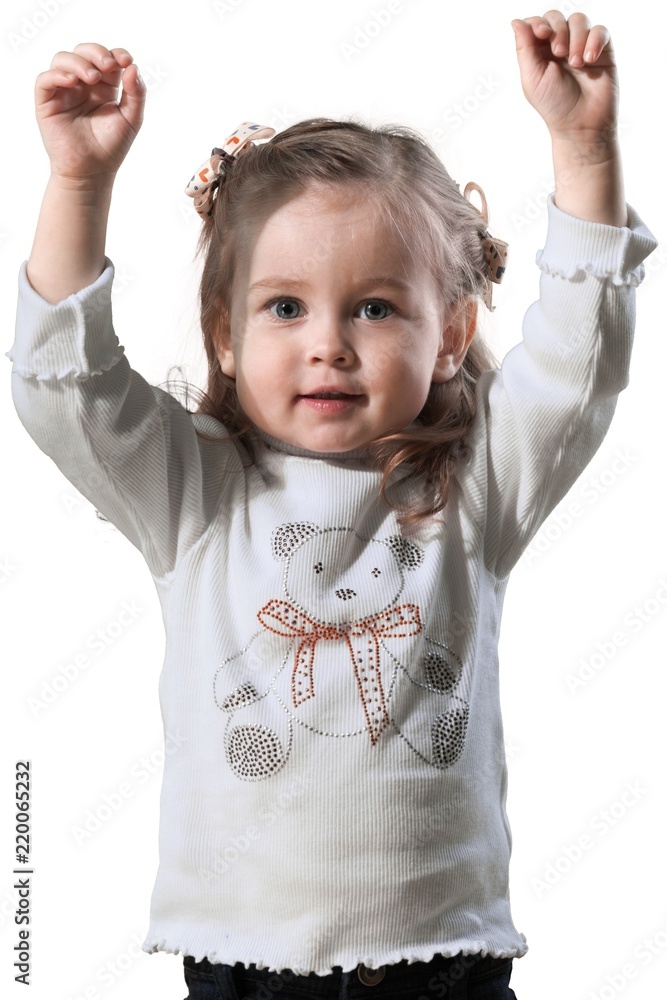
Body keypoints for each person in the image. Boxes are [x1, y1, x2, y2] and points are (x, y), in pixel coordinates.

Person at [6, 10, 657, 1000]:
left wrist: (582, 149)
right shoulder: (196, 493)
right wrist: (80, 183)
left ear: (449, 335)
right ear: (223, 334)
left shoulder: (471, 491)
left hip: (442, 959)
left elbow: (574, 365)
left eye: (375, 306)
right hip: (243, 958)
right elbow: (64, 384)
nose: (328, 342)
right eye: (284, 306)